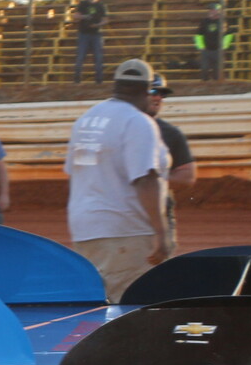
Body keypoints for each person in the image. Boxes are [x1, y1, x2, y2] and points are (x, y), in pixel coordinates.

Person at [63, 59, 172, 299]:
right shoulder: (138, 122)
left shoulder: (86, 120)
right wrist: (161, 233)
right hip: (125, 229)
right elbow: (145, 179)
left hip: (85, 229)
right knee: (134, 304)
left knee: (99, 301)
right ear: (147, 90)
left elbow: (74, 172)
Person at [145, 72, 196, 257]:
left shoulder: (171, 133)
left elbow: (187, 176)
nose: (158, 97)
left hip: (160, 213)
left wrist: (150, 183)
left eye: (162, 93)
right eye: (153, 91)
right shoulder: (118, 128)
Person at [73, 0, 108, 83]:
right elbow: (76, 16)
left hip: (96, 33)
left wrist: (97, 25)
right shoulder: (83, 4)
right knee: (80, 57)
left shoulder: (100, 5)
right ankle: (77, 78)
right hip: (83, 33)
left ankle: (99, 79)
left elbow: (105, 20)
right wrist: (85, 17)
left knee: (98, 57)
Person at [195, 5, 230, 82]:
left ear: (218, 11)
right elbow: (198, 35)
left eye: (214, 10)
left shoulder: (222, 22)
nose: (212, 12)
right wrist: (201, 46)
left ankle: (217, 84)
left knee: (217, 70)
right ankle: (205, 82)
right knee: (204, 68)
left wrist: (224, 46)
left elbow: (228, 35)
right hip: (206, 49)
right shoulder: (205, 22)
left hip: (218, 49)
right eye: (211, 10)